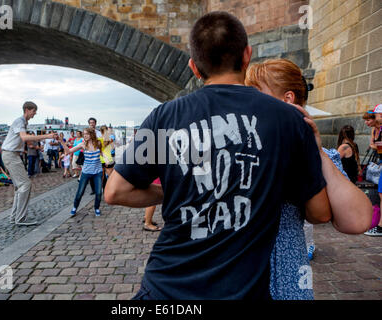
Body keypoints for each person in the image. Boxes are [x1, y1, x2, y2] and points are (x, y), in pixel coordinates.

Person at [105, 11, 333, 300]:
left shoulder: (164, 116)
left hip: (165, 288)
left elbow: (115, 192)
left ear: (194, 67)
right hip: (241, 291)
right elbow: (320, 213)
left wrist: (172, 193)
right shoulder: (288, 120)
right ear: (247, 55)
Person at [245, 58, 372, 299]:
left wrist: (316, 150)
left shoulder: (321, 156)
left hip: (287, 280)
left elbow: (357, 221)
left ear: (288, 100)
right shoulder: (245, 147)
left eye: (256, 94)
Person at [2, 101, 57, 226]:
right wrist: (46, 136)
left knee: (19, 187)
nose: (35, 113)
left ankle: (14, 217)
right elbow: (24, 138)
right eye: (34, 111)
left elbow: (23, 140)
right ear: (27, 110)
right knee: (25, 185)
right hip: (11, 155)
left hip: (12, 155)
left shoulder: (23, 122)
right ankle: (20, 219)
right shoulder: (19, 121)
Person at [62, 128, 103, 217]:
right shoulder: (83, 145)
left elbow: (101, 154)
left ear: (92, 134)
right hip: (86, 172)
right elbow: (69, 151)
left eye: (87, 134)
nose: (85, 136)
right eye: (84, 134)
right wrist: (61, 142)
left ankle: (96, 208)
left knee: (99, 192)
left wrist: (107, 159)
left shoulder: (98, 143)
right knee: (80, 192)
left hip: (97, 172)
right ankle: (74, 208)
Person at [365, 104, 382, 236]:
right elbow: (372, 144)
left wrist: (377, 146)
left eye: (375, 115)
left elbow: (375, 146)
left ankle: (380, 227)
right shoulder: (377, 130)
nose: (367, 122)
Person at [100, 125, 115, 190]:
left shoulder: (99, 139)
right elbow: (113, 148)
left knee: (103, 177)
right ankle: (111, 190)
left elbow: (99, 150)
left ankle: (105, 190)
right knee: (111, 177)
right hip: (108, 159)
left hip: (102, 159)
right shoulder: (110, 139)